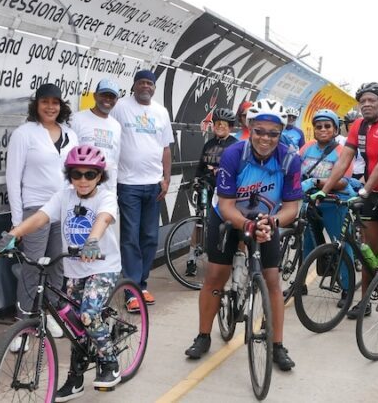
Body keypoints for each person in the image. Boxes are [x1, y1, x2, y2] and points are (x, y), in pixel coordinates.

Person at [0, 145, 124, 397]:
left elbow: (103, 218)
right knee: (72, 323)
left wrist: (93, 240)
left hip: (103, 267)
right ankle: (76, 378)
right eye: (77, 174)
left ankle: (110, 361)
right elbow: (41, 217)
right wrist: (13, 235)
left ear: (100, 176)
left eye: (90, 174)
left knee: (87, 315)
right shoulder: (64, 195)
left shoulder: (105, 197)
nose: (83, 180)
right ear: (69, 175)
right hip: (75, 269)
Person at [185, 98, 301, 371]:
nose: (265, 138)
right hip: (229, 213)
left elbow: (292, 208)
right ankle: (203, 335)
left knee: (272, 280)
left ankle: (277, 345)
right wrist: (246, 226)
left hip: (265, 218)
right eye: (259, 131)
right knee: (215, 274)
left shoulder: (289, 159)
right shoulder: (234, 154)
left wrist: (271, 223)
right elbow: (225, 206)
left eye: (273, 133)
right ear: (250, 128)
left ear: (281, 134)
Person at [313, 82, 378, 320]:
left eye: (371, 100)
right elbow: (344, 160)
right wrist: (324, 190)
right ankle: (365, 301)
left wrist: (364, 191)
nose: (366, 104)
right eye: (363, 101)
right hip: (372, 193)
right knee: (368, 250)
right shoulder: (358, 126)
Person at [6, 83, 78, 328]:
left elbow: (76, 173)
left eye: (55, 102)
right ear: (36, 105)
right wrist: (18, 223)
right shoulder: (24, 133)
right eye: (45, 102)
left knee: (58, 265)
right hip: (35, 209)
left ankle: (52, 316)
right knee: (33, 268)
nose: (50, 107)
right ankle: (23, 322)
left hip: (63, 208)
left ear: (61, 106)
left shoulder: (70, 134)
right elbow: (13, 179)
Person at [111, 69, 174, 311]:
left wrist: (166, 179)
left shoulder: (161, 111)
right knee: (130, 238)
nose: (146, 86)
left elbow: (165, 148)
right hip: (128, 184)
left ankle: (142, 285)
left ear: (154, 87)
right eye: (142, 83)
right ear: (134, 85)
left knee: (149, 237)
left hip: (154, 184)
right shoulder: (120, 107)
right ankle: (130, 290)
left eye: (150, 83)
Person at [298, 109, 356, 305]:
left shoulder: (342, 151)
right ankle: (300, 284)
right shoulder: (306, 148)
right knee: (305, 244)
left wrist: (314, 182)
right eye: (318, 126)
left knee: (341, 245)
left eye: (327, 126)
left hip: (335, 204)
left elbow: (343, 181)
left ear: (335, 130)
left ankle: (347, 290)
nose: (322, 129)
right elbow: (295, 172)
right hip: (311, 202)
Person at [185, 107, 239, 276]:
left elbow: (238, 169)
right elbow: (201, 166)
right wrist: (196, 179)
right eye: (217, 123)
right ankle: (192, 259)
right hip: (207, 188)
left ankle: (235, 257)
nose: (220, 127)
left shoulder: (235, 145)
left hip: (225, 191)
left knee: (230, 223)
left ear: (230, 127)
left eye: (224, 124)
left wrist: (222, 171)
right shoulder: (209, 144)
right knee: (200, 222)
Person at [71, 79, 122, 192]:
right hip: (81, 189)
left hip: (106, 192)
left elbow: (114, 162)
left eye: (111, 96)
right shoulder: (77, 119)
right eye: (104, 95)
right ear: (94, 96)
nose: (107, 99)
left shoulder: (116, 126)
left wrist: (113, 192)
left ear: (116, 100)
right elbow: (68, 156)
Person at [338, 110, 366, 180]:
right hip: (345, 175)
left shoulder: (368, 141)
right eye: (350, 126)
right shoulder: (341, 141)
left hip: (363, 175)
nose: (354, 128)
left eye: (357, 125)